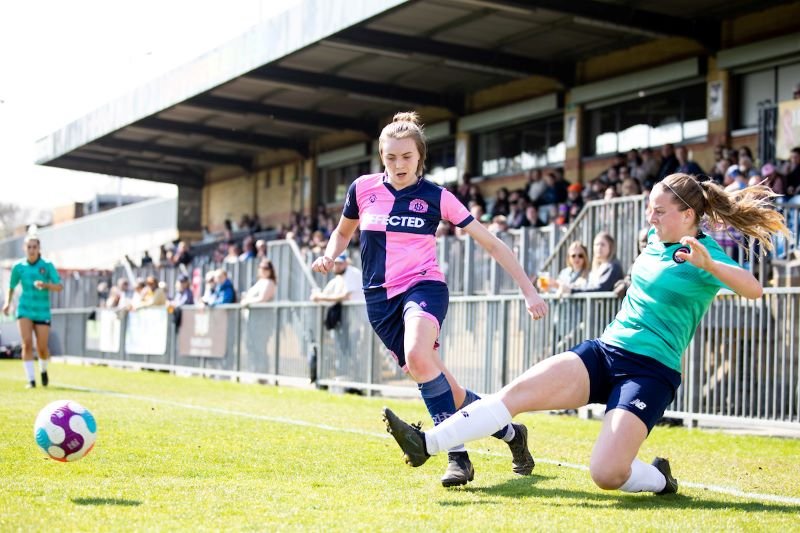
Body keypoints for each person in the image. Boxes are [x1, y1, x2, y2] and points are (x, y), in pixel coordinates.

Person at [383, 172, 789, 496]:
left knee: (606, 473)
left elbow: (754, 288)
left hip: (650, 371)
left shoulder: (705, 253)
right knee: (515, 393)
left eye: (659, 212)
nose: (651, 218)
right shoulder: (654, 237)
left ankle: (660, 479)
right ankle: (427, 444)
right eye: (650, 210)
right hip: (606, 351)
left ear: (687, 215)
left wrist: (710, 265)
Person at [311, 111, 548, 487]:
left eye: (407, 157)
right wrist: (330, 254)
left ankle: (458, 458)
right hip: (379, 301)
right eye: (390, 157)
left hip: (423, 287)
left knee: (419, 357)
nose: (398, 164)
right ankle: (512, 435)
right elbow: (342, 233)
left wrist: (528, 289)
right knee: (448, 391)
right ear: (381, 157)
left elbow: (490, 242)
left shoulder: (438, 197)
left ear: (420, 156)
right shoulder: (362, 189)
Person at [2, 230, 63, 388]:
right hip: (25, 310)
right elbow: (11, 286)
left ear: (39, 248)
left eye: (34, 246)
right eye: (29, 246)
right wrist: (7, 303)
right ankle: (31, 380)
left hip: (42, 310)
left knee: (42, 348)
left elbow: (59, 286)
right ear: (25, 248)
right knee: (26, 343)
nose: (32, 249)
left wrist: (46, 285)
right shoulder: (19, 266)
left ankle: (43, 371)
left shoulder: (47, 265)